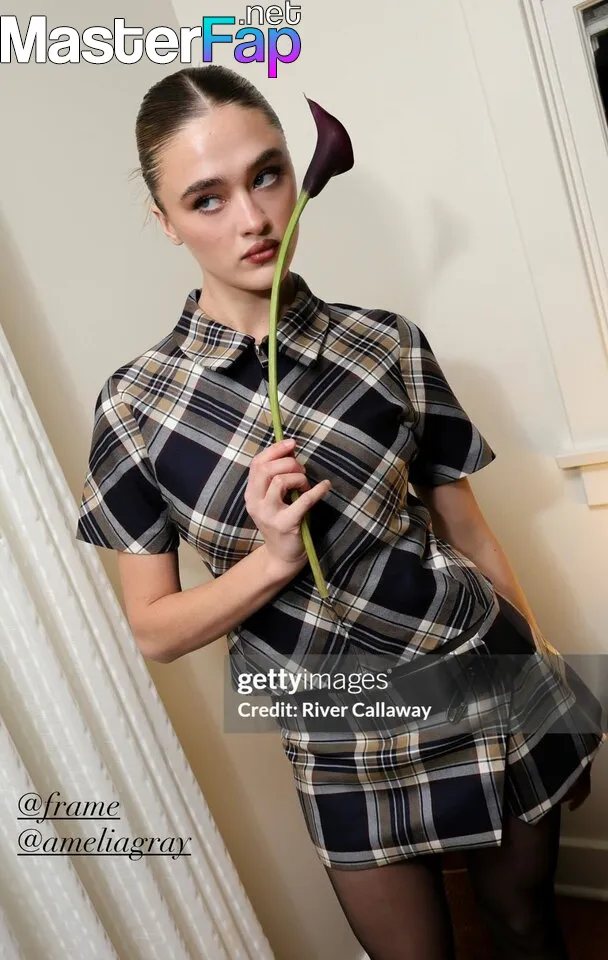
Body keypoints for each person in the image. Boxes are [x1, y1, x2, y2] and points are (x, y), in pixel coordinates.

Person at [74, 64, 606, 960]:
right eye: (207, 198)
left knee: (527, 928)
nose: (253, 219)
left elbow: (469, 533)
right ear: (164, 221)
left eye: (267, 175)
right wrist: (275, 560)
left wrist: (547, 680)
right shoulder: (135, 406)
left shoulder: (386, 342)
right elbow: (156, 631)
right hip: (330, 723)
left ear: (296, 172)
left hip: (477, 672)